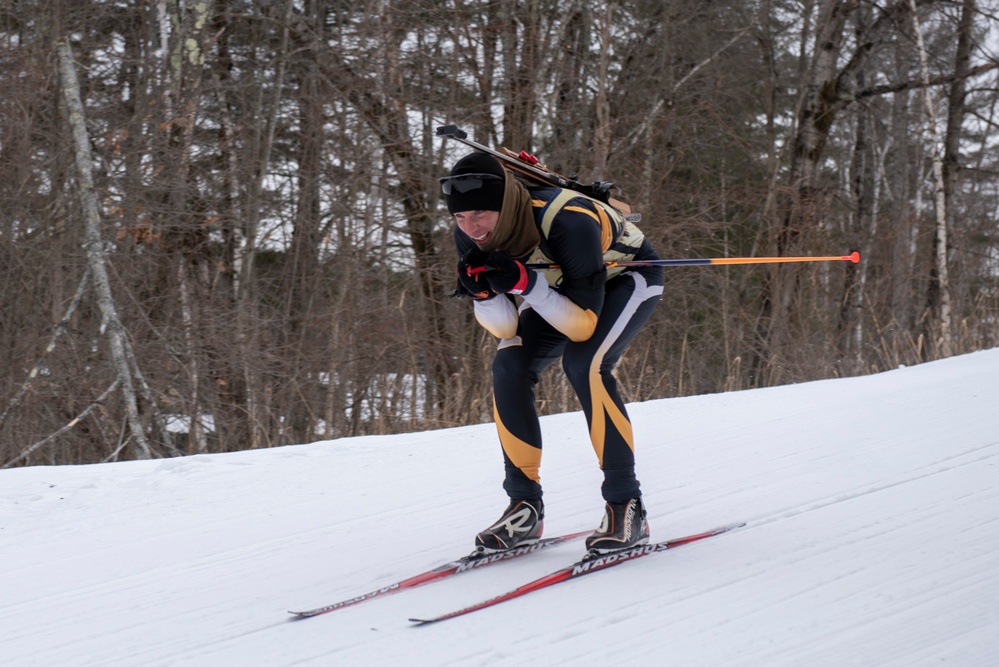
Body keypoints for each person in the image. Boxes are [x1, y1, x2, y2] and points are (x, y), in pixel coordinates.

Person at [443, 151, 664, 556]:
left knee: (586, 364)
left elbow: (582, 325)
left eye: (480, 215)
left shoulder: (567, 221)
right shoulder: (469, 235)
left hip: (627, 276)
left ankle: (626, 505)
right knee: (509, 364)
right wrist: (484, 294)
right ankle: (524, 505)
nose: (471, 228)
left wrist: (527, 284)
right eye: (460, 218)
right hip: (562, 287)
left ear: (504, 205)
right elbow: (505, 328)